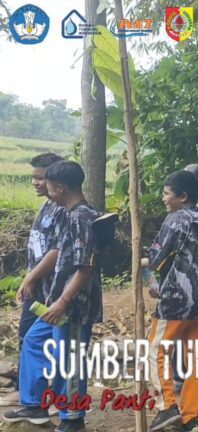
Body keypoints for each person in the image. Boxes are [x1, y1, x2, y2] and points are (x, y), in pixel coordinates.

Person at [3, 161, 103, 432]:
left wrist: (63, 301)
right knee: (34, 341)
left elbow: (85, 268)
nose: (43, 188)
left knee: (69, 360)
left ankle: (73, 418)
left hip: (74, 305)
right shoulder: (67, 214)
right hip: (57, 302)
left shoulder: (81, 217)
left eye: (46, 184)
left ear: (60, 187)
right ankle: (33, 403)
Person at [145, 170, 198, 432]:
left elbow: (156, 257)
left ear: (183, 197)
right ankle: (192, 418)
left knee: (156, 350)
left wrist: (145, 268)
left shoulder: (176, 218)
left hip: (180, 297)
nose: (163, 198)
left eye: (167, 193)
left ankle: (166, 406)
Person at [0, 153, 65, 407]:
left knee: (43, 340)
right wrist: (29, 278)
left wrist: (31, 277)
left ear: (55, 179)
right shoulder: (46, 205)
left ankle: (41, 395)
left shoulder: (62, 210)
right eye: (33, 177)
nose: (35, 182)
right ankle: (28, 391)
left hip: (51, 288)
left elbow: (57, 250)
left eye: (40, 178)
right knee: (28, 336)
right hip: (37, 284)